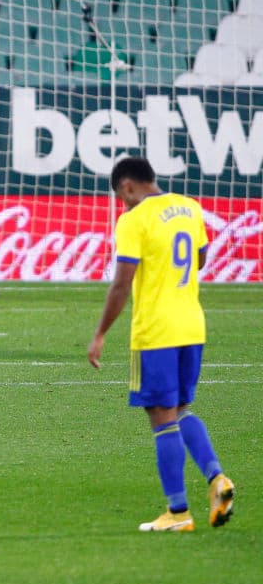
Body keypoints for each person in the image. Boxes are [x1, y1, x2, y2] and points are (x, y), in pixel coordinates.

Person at [87, 156, 235, 532]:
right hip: (192, 326)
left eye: (122, 198)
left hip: (155, 331)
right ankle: (217, 479)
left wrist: (101, 333)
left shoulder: (134, 219)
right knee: (182, 409)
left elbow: (122, 282)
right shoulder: (189, 206)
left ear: (127, 187)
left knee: (161, 418)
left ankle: (178, 512)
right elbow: (200, 258)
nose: (124, 204)